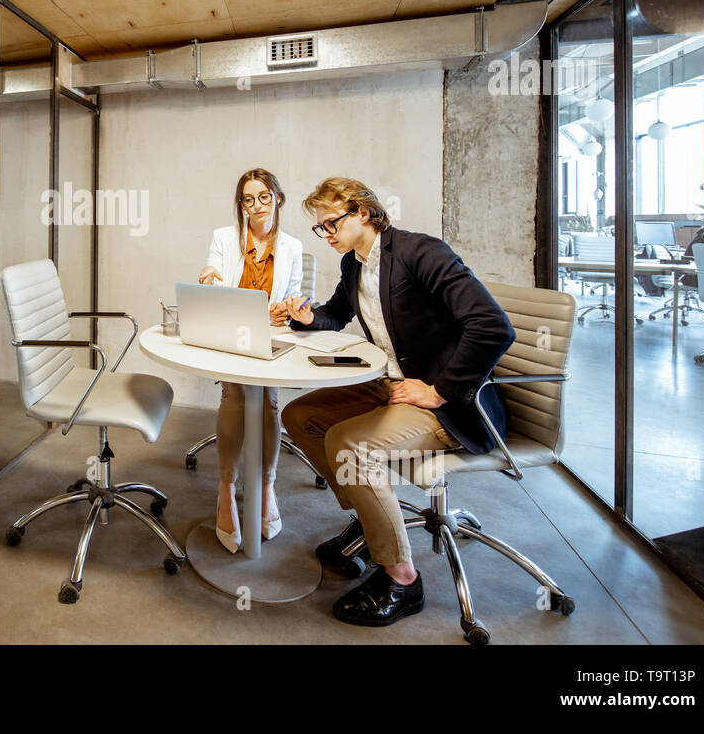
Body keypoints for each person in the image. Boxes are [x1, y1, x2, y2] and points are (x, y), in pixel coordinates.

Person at [276, 177, 514, 627]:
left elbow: (492, 326)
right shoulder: (354, 265)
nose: (325, 235)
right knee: (301, 415)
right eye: (319, 229)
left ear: (362, 213)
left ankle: (402, 579)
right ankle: (372, 525)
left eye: (330, 225)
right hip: (391, 384)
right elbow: (336, 314)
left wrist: (439, 390)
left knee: (349, 444)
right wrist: (309, 318)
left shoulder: (420, 252)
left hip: (449, 404)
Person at [197, 168, 303, 553]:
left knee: (269, 400)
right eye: (247, 198)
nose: (255, 205)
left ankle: (266, 487)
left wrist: (288, 310)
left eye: (263, 196)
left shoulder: (292, 247)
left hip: (269, 337)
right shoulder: (224, 239)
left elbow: (295, 297)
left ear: (278, 198)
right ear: (240, 204)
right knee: (236, 396)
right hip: (231, 332)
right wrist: (208, 280)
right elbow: (213, 282)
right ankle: (226, 489)